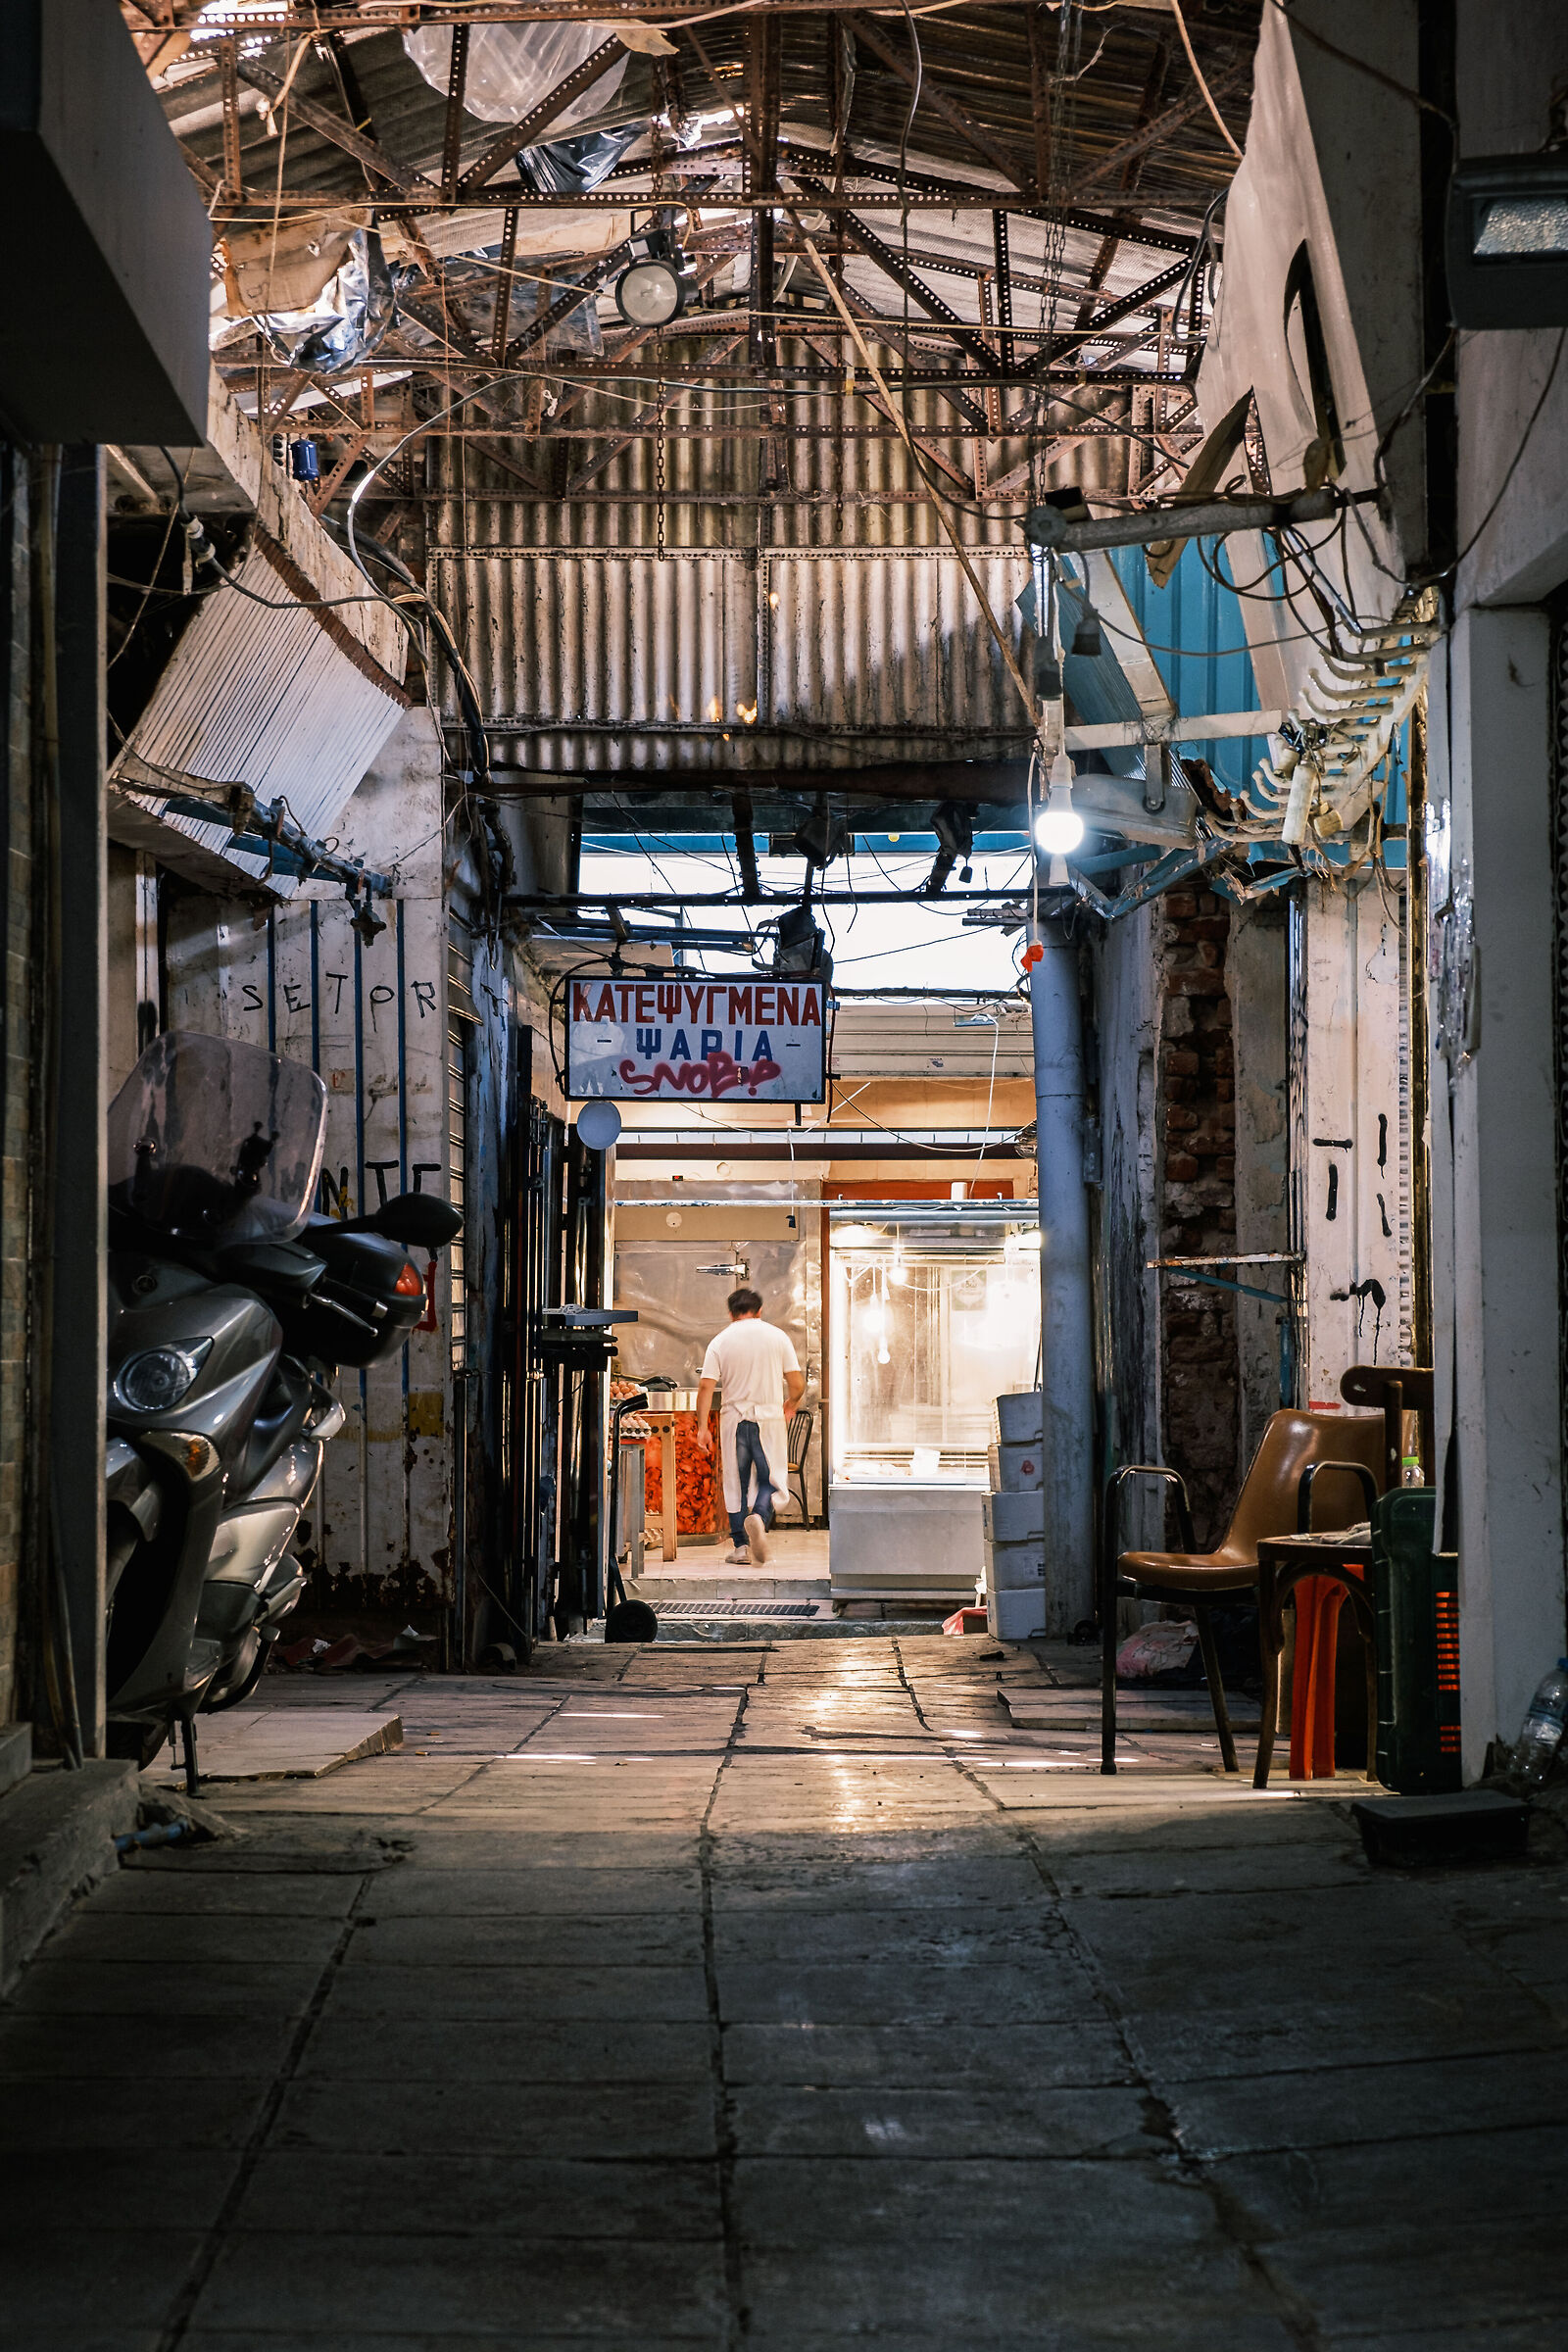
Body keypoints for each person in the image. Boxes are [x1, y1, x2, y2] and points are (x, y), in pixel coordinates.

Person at [695, 1286, 806, 1565]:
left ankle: (741, 1547)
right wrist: (791, 1403)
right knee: (770, 1477)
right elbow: (797, 1384)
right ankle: (759, 1515)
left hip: (734, 1421)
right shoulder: (777, 1337)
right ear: (759, 1311)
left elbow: (706, 1386)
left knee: (736, 1483)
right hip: (768, 1420)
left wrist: (702, 1428)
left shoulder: (720, 1341)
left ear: (731, 1313)